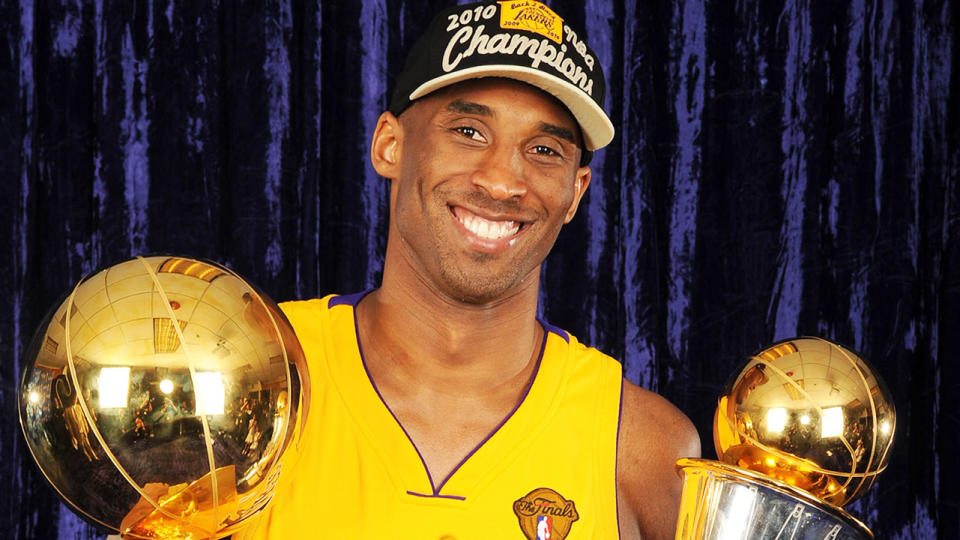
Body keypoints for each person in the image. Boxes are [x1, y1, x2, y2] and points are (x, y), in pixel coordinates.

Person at [238, 2, 699, 538]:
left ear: (575, 192)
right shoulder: (254, 378)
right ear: (390, 144)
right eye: (469, 131)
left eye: (545, 149)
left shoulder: (646, 450)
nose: (503, 181)